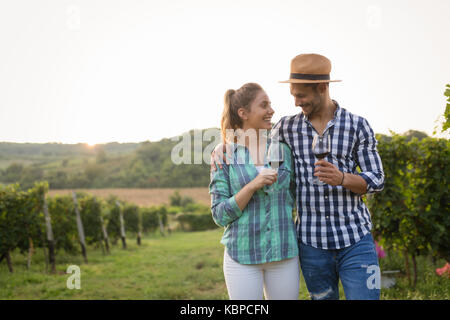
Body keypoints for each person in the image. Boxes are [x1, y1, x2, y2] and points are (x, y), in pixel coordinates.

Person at [212, 54, 385, 300]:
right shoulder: (286, 128)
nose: (295, 102)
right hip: (312, 245)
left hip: (355, 239)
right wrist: (224, 146)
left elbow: (377, 178)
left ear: (322, 88)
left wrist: (343, 178)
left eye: (300, 95)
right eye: (293, 95)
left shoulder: (358, 126)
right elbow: (250, 140)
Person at [209, 82, 300, 300]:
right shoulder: (224, 154)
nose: (271, 110)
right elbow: (219, 215)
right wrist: (252, 186)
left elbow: (298, 197)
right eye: (264, 105)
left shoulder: (284, 150)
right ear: (243, 113)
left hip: (284, 255)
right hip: (241, 257)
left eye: (270, 104)